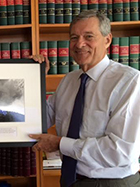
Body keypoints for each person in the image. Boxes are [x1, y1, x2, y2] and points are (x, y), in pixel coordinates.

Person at [29, 10, 140, 187]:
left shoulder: (129, 81)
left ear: (107, 40)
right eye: (74, 37)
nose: (80, 44)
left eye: (89, 36)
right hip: (69, 179)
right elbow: (40, 119)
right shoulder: (69, 81)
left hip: (110, 182)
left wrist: (60, 144)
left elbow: (120, 151)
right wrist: (34, 79)